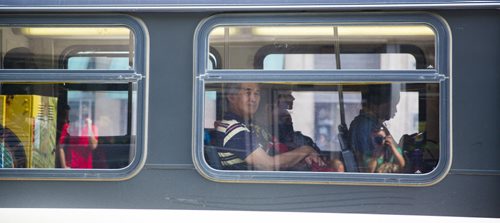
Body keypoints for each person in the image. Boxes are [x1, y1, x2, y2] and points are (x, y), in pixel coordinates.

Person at [214, 83, 325, 171]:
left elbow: (277, 153)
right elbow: (268, 165)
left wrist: (303, 158)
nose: (253, 99)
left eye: (257, 93)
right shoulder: (233, 130)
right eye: (248, 93)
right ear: (232, 97)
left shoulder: (251, 126)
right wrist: (306, 150)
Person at [267, 88, 344, 172]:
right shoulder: (273, 141)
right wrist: (306, 150)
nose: (293, 98)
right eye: (287, 95)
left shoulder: (298, 139)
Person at [349, 84, 405, 173]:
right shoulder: (366, 126)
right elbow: (367, 166)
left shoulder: (372, 124)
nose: (395, 110)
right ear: (380, 104)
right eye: (392, 105)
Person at [58, 105, 99, 169]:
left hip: (86, 167)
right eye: (82, 114)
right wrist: (64, 166)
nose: (83, 117)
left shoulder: (93, 128)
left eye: (86, 115)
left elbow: (93, 146)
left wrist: (89, 126)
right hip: (71, 166)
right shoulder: (68, 127)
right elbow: (60, 147)